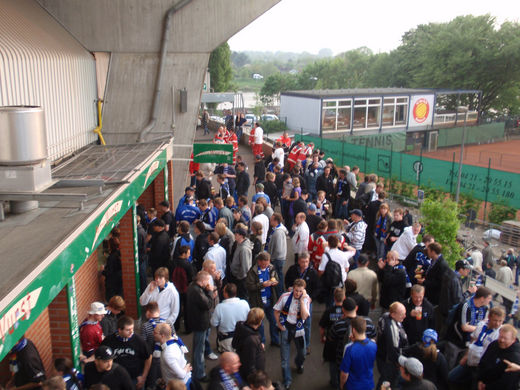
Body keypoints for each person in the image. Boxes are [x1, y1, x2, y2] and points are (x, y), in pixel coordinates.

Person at [448, 307, 505, 389]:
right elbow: (473, 340)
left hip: (480, 366)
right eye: (495, 320)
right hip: (470, 360)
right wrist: (466, 356)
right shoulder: (481, 325)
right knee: (452, 377)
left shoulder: (499, 334)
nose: (498, 324)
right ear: (489, 317)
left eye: (500, 321)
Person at [273, 279, 310, 389]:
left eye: (300, 291)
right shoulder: (285, 297)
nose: (297, 293)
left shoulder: (306, 299)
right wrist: (279, 325)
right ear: (292, 288)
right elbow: (276, 310)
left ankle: (299, 363)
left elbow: (304, 317)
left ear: (303, 291)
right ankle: (287, 380)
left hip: (299, 329)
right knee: (284, 359)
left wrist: (302, 301)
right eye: (296, 290)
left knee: (302, 353)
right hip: (286, 328)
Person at [101, 316, 152, 389]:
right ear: (119, 330)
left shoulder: (138, 340)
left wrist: (143, 376)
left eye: (132, 329)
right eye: (128, 330)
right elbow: (101, 357)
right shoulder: (109, 341)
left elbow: (148, 357)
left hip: (134, 379)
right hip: (115, 379)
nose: (131, 332)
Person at [284, 252, 319, 350]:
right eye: (303, 262)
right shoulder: (292, 270)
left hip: (306, 302)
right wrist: (288, 288)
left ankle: (306, 345)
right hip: (293, 300)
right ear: (299, 261)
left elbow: (317, 287)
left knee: (307, 324)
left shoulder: (312, 273)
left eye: (307, 261)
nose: (305, 264)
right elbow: (287, 280)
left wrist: (311, 297)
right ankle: (291, 339)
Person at [186, 271, 216, 382]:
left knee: (198, 347)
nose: (209, 283)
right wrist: (210, 292)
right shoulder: (197, 291)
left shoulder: (193, 287)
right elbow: (208, 304)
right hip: (200, 323)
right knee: (199, 348)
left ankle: (197, 368)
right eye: (207, 281)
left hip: (196, 321)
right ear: (203, 281)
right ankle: (199, 373)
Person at [246, 252, 280, 346]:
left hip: (270, 299)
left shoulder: (271, 268)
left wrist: (275, 282)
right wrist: (262, 285)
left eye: (267, 263)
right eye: (264, 264)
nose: (266, 266)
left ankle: (275, 340)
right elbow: (249, 286)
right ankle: (261, 343)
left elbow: (276, 278)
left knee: (273, 321)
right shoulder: (252, 271)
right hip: (258, 301)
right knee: (260, 324)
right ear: (259, 262)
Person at [327, 297, 359, 389]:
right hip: (358, 361)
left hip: (341, 359)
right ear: (356, 308)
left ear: (343, 309)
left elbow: (331, 338)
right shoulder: (367, 323)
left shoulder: (338, 324)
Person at [477, 324, 520, 390]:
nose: (502, 340)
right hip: (482, 382)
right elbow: (483, 362)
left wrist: (486, 387)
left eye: (505, 338)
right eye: (500, 337)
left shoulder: (515, 357)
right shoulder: (494, 344)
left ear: (513, 340)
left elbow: (507, 382)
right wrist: (480, 379)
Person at [376, 302, 408, 389]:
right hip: (389, 361)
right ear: (393, 315)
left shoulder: (385, 316)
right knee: (388, 381)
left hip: (382, 357)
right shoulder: (391, 329)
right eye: (402, 314)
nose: (405, 316)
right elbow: (392, 349)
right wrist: (399, 362)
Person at [339, 317, 377, 390]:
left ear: (353, 330)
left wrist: (342, 385)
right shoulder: (373, 344)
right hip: (368, 384)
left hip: (353, 386)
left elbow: (344, 373)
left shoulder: (349, 349)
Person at [211, 283, 250, 352]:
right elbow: (249, 317)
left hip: (227, 339)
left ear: (225, 293)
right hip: (243, 336)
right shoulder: (244, 303)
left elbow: (214, 323)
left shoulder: (220, 307)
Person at [320, 288, 346, 389]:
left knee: (332, 364)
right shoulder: (346, 311)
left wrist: (322, 337)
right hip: (343, 342)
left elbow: (322, 327)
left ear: (334, 299)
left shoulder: (329, 311)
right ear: (344, 298)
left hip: (331, 342)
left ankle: (334, 382)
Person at [232, 308, 266, 381]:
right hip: (253, 378)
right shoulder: (252, 340)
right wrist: (257, 380)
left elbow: (234, 344)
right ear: (259, 321)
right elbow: (250, 365)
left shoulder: (241, 327)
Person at [417, 242, 449, 306]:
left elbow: (440, 282)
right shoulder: (433, 260)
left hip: (433, 296)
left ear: (433, 252)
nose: (427, 252)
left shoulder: (442, 264)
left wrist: (424, 282)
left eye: (428, 250)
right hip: (428, 292)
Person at [267, 213, 288, 296]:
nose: (270, 221)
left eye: (271, 220)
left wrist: (272, 257)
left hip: (277, 259)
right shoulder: (277, 230)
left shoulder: (278, 232)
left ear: (276, 221)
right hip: (278, 258)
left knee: (277, 277)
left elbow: (278, 248)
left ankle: (280, 295)